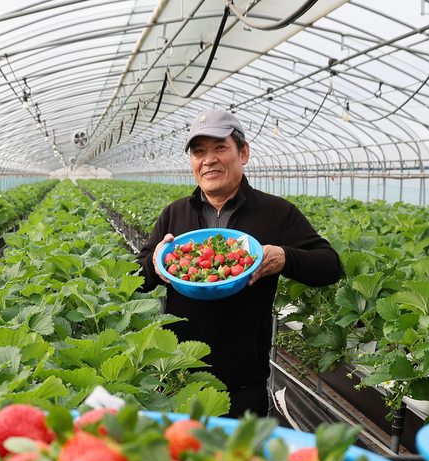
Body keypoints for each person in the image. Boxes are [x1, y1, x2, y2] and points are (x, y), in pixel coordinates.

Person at [137, 108, 342, 417]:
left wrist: (284, 257)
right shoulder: (174, 214)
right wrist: (155, 262)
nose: (208, 160)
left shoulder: (277, 213)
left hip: (244, 382)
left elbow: (330, 265)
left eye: (220, 148)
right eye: (199, 151)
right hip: (178, 374)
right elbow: (137, 279)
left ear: (243, 153)